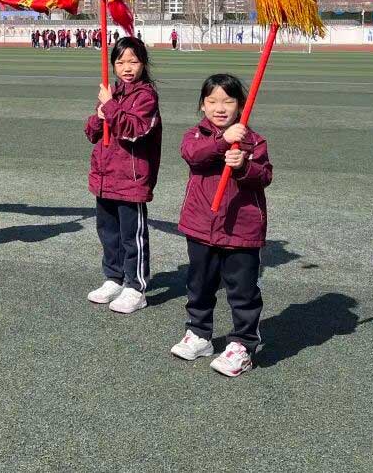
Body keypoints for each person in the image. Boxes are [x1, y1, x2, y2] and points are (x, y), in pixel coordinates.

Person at [172, 74, 273, 377]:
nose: (220, 107)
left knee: (242, 291)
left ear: (241, 105)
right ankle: (199, 334)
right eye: (212, 101)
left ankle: (243, 345)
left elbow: (264, 176)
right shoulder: (196, 136)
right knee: (199, 285)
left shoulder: (253, 141)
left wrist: (243, 165)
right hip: (201, 227)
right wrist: (221, 141)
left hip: (241, 231)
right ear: (202, 105)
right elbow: (193, 156)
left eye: (228, 101)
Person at [83, 36, 162, 313]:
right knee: (108, 232)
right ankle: (114, 278)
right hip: (105, 176)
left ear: (143, 63)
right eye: (120, 62)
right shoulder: (112, 93)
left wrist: (110, 108)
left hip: (131, 178)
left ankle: (136, 286)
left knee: (132, 235)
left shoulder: (146, 96)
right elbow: (92, 132)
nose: (127, 67)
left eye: (133, 61)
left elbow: (135, 130)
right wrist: (100, 114)